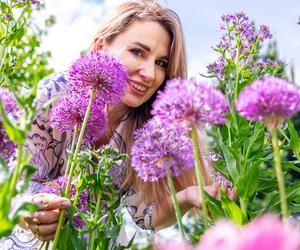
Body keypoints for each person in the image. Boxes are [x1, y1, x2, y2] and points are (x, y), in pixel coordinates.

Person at [0, 0, 236, 248]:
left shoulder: (149, 128)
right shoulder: (57, 93)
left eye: (161, 63)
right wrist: (27, 211)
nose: (150, 73)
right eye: (138, 52)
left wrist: (188, 196)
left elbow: (145, 215)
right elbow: (16, 178)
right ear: (100, 47)